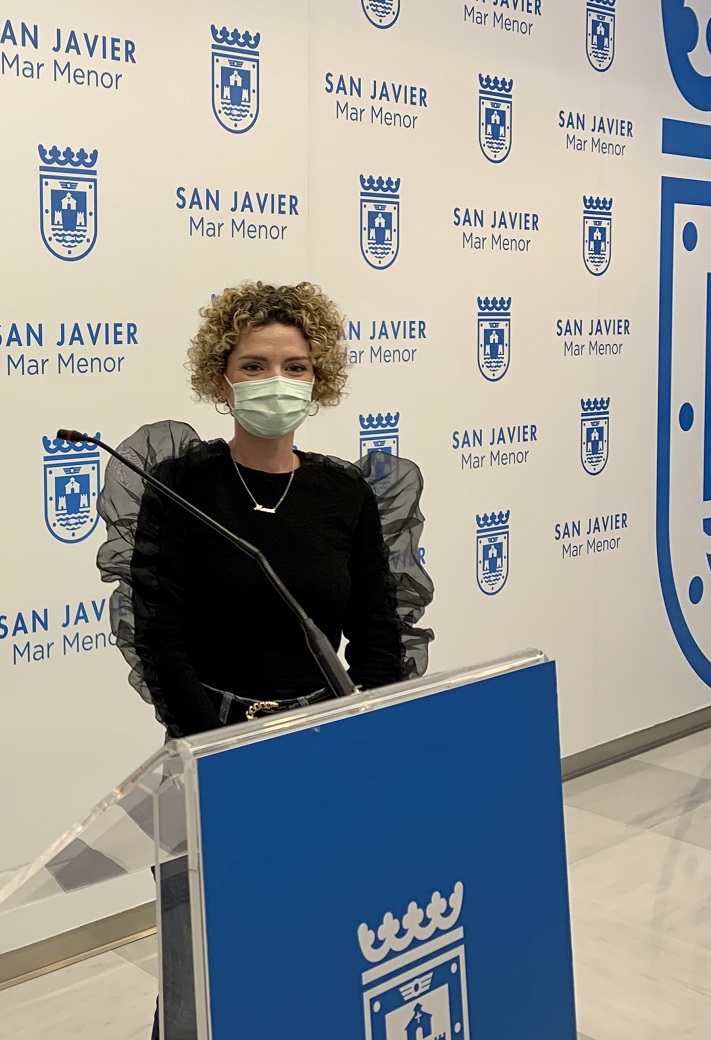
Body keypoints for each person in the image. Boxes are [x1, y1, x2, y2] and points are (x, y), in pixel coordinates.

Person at [98, 281, 416, 1040]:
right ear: (222, 378)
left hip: (319, 741)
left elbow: (377, 632)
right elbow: (160, 634)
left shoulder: (344, 493)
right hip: (208, 740)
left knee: (312, 936)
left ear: (319, 378)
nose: (277, 381)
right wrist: (212, 752)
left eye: (295, 367)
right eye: (254, 365)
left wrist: (366, 737)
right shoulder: (182, 485)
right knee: (201, 960)